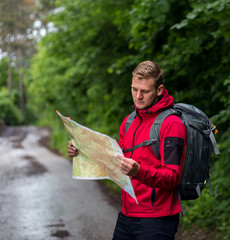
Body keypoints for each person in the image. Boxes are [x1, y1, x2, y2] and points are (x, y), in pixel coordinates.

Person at [67, 60, 187, 240]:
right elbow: (116, 163)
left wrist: (139, 171)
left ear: (159, 90)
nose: (138, 96)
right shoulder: (129, 122)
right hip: (127, 215)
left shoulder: (172, 125)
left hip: (157, 220)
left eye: (145, 91)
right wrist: (82, 151)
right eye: (134, 89)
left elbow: (172, 177)